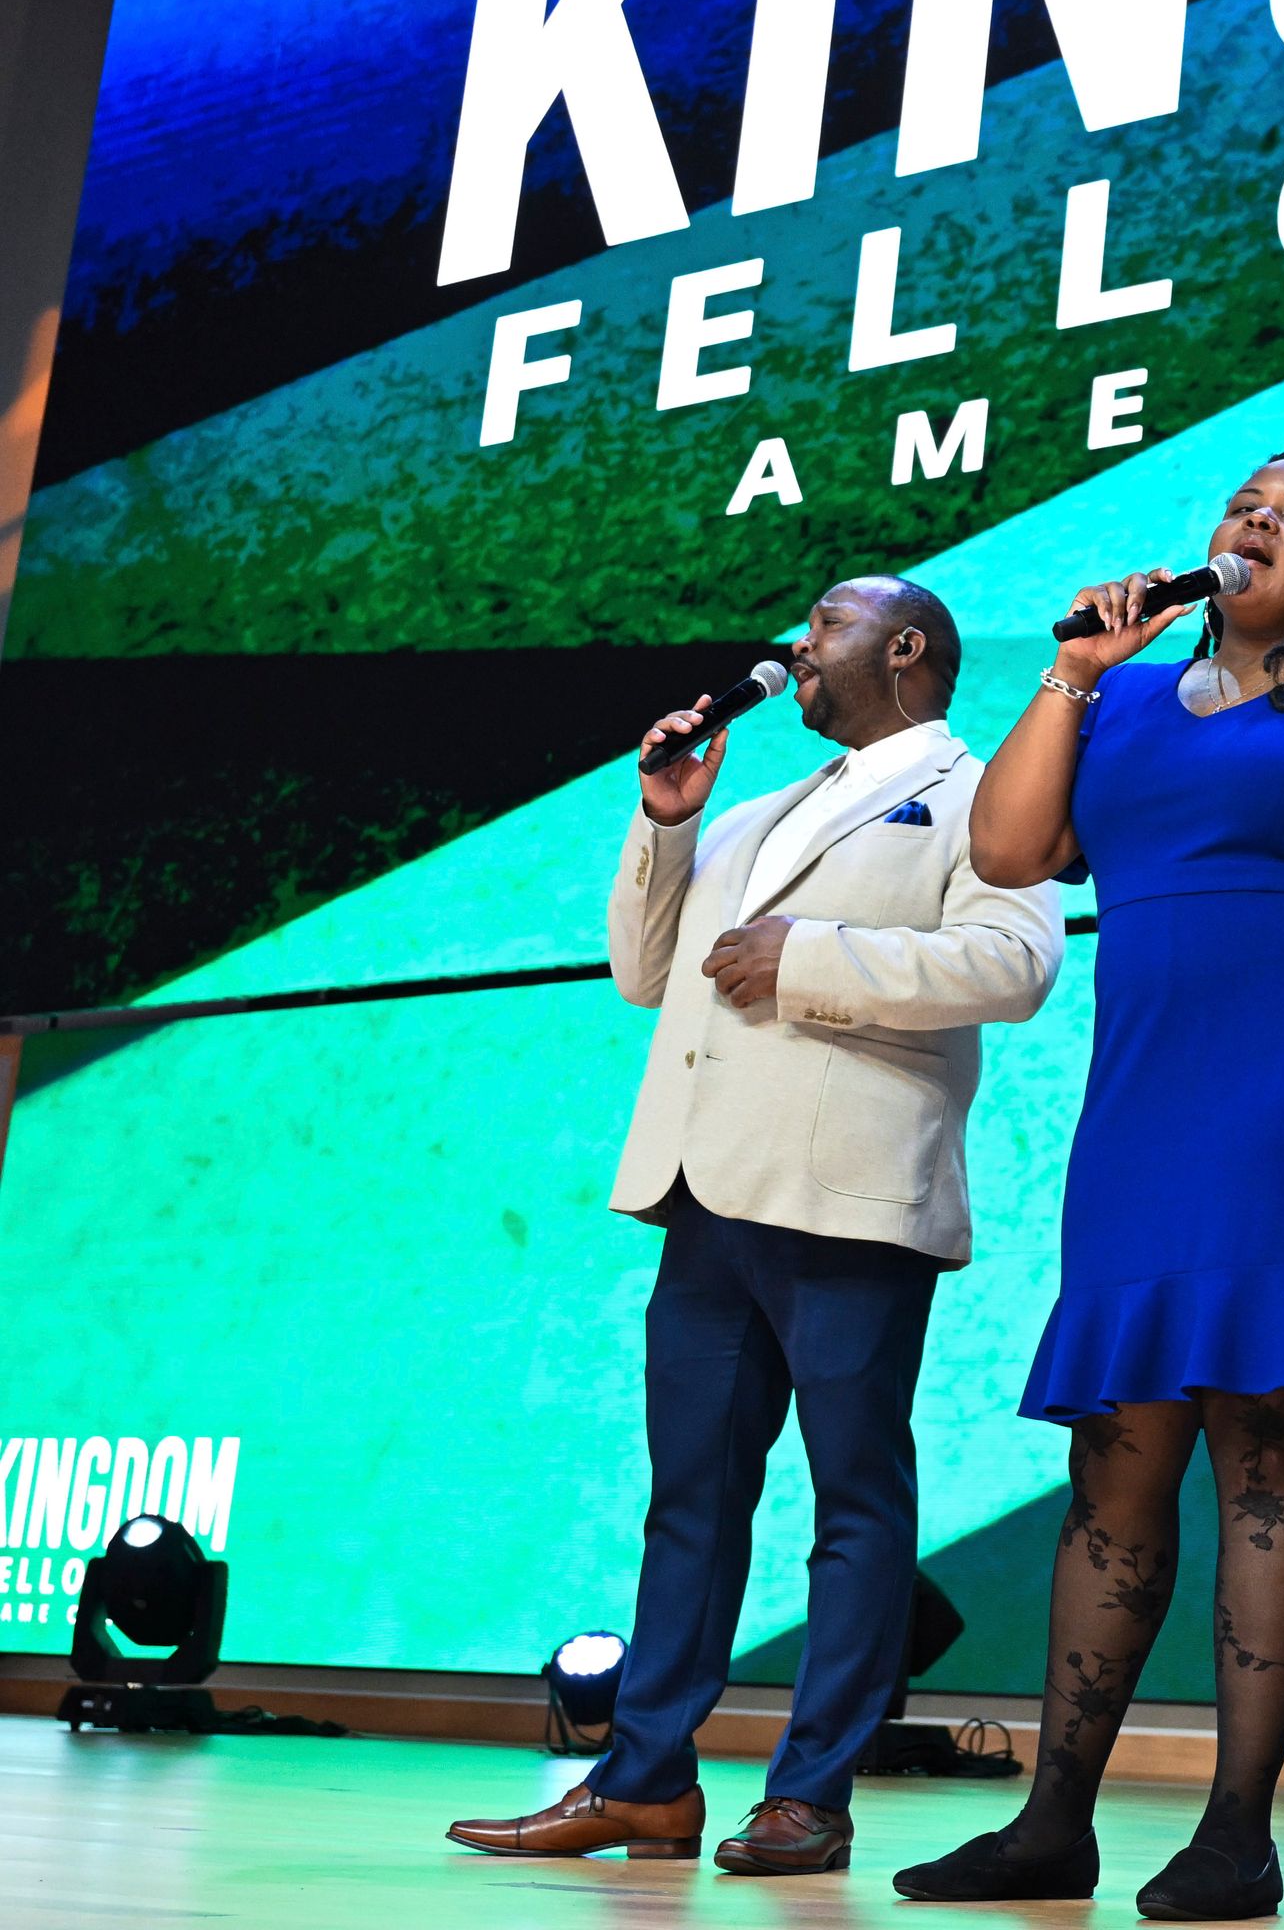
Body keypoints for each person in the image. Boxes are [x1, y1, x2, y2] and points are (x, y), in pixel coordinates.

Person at [896, 449, 1284, 1923]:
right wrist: (1077, 672)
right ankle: (1054, 1823)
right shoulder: (1120, 699)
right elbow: (1008, 846)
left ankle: (1238, 1830)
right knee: (1116, 1445)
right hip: (1149, 1099)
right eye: (1245, 503)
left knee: (1266, 1435)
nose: (1257, 523)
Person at [448, 577, 1064, 1877]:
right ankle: (645, 1783)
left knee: (852, 1503)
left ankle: (812, 1796)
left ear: (906, 649)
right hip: (707, 1193)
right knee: (691, 1502)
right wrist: (666, 827)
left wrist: (815, 955)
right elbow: (643, 971)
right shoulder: (757, 808)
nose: (795, 646)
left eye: (827, 624)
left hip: (845, 1195)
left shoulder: (979, 789)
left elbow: (1016, 966)